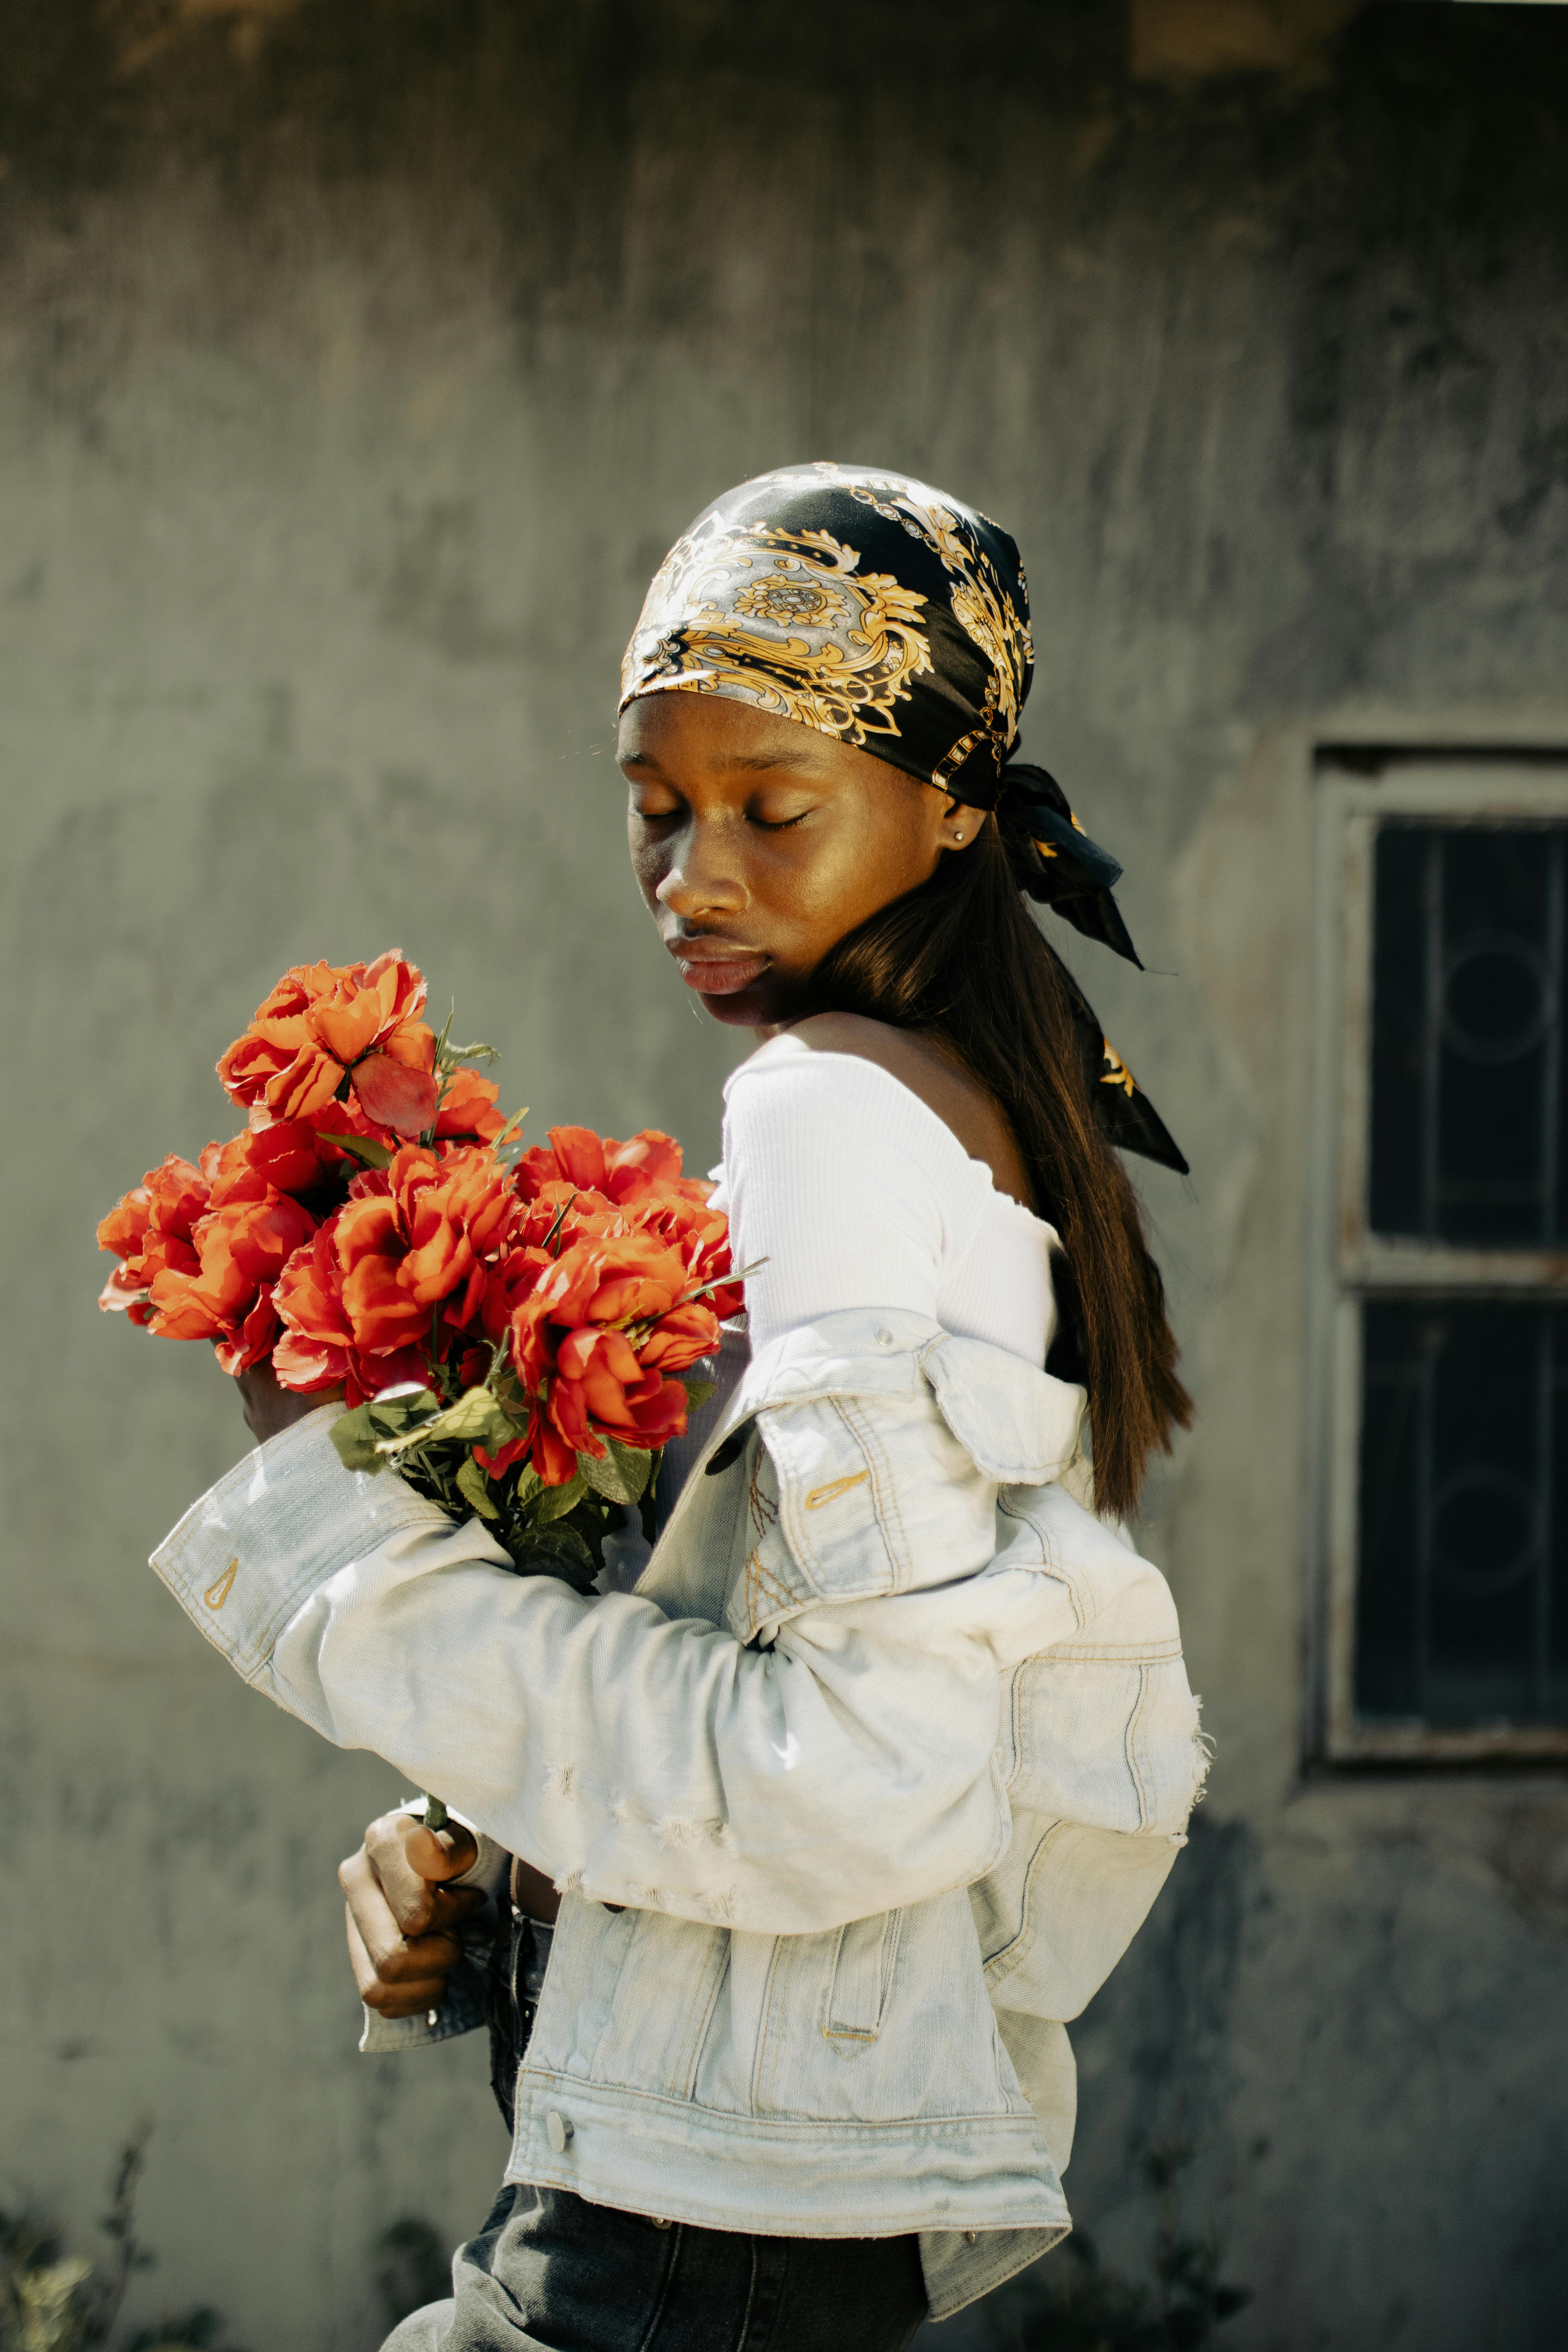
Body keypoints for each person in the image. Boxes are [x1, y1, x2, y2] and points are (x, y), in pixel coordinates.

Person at [155, 463, 1204, 2352]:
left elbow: (852, 1784)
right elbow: (797, 1670)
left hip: (694, 2242)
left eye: (769, 810)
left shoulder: (830, 1103)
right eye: (654, 811)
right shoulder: (970, 1101)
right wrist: (480, 1838)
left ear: (956, 805)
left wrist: (339, 1530)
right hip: (750, 2197)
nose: (692, 877)